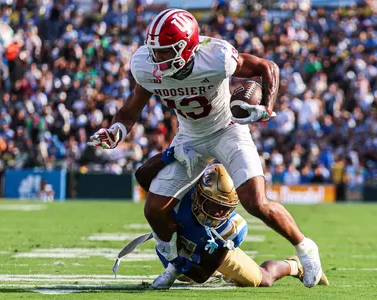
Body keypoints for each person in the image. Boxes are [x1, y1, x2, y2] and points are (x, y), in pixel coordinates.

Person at [88, 8, 323, 287]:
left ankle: (306, 249)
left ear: (186, 47)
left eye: (165, 51)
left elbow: (266, 67)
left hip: (227, 129)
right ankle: (176, 263)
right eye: (154, 50)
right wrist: (117, 130)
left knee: (255, 201)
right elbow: (130, 110)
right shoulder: (146, 66)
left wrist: (266, 108)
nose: (156, 57)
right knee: (153, 209)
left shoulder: (215, 57)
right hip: (189, 137)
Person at [128, 149, 328, 289]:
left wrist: (179, 265)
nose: (217, 214)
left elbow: (201, 274)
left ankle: (293, 265)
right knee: (161, 216)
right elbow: (143, 177)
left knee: (263, 279)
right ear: (198, 193)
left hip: (206, 255)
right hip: (182, 248)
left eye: (223, 208)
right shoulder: (182, 196)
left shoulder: (230, 229)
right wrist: (169, 155)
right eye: (212, 205)